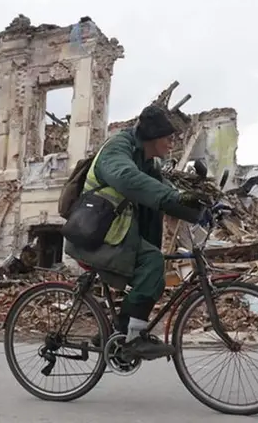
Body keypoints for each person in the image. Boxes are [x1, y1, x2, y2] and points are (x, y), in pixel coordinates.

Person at [64, 103, 203, 360]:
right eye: (169, 138)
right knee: (152, 262)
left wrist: (201, 211)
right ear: (152, 137)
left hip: (113, 231)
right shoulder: (118, 149)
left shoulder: (147, 160)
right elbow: (128, 178)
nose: (172, 145)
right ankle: (133, 338)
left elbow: (163, 192)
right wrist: (175, 196)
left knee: (153, 271)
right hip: (94, 233)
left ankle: (120, 333)